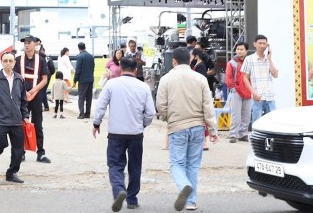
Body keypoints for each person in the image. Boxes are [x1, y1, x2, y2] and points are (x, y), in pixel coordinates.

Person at [156, 47, 219, 212]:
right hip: (198, 127)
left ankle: (184, 185)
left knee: (176, 163)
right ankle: (191, 202)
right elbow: (208, 106)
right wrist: (212, 130)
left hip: (177, 126)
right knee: (192, 165)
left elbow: (161, 105)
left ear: (174, 61)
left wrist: (167, 118)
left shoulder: (166, 79)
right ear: (190, 60)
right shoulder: (200, 78)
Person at [92, 57, 156, 212]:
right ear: (136, 70)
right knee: (135, 166)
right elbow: (150, 112)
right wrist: (142, 124)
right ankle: (132, 199)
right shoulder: (143, 87)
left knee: (115, 165)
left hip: (116, 133)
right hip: (136, 133)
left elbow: (101, 105)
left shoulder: (111, 84)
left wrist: (96, 123)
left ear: (120, 68)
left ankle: (119, 189)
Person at [0, 51, 29, 183]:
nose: (8, 63)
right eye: (5, 61)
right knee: (0, 144)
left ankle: (11, 173)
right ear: (1, 62)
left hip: (17, 119)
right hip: (0, 118)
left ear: (14, 63)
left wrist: (25, 115)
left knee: (18, 149)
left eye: (10, 61)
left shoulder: (19, 79)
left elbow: (23, 100)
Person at [17, 36, 51, 163]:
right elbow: (14, 77)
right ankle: (20, 153)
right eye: (25, 43)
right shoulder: (18, 60)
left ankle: (40, 153)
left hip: (36, 97)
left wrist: (33, 91)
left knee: (38, 124)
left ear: (35, 44)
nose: (26, 45)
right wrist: (23, 92)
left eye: (29, 42)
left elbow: (45, 79)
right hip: (21, 98)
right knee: (21, 125)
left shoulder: (41, 60)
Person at [242, 34, 279, 122]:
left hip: (270, 97)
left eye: (264, 43)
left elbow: (275, 75)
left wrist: (269, 59)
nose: (262, 46)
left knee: (272, 123)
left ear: (267, 45)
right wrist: (253, 93)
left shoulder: (269, 59)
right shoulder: (249, 59)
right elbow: (245, 78)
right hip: (257, 98)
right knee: (257, 124)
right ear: (254, 44)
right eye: (260, 43)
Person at [225, 41, 253, 143]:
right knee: (236, 114)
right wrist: (233, 88)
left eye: (242, 49)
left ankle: (243, 134)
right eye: (238, 49)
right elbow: (228, 77)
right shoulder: (231, 63)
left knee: (247, 114)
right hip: (236, 91)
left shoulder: (250, 62)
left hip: (248, 91)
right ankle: (233, 135)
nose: (239, 51)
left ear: (246, 51)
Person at [74, 42, 95, 120]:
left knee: (81, 97)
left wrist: (75, 80)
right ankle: (87, 113)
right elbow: (93, 67)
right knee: (89, 97)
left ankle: (81, 114)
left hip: (82, 80)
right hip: (90, 79)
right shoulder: (91, 56)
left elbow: (78, 69)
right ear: (85, 47)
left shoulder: (80, 57)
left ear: (78, 48)